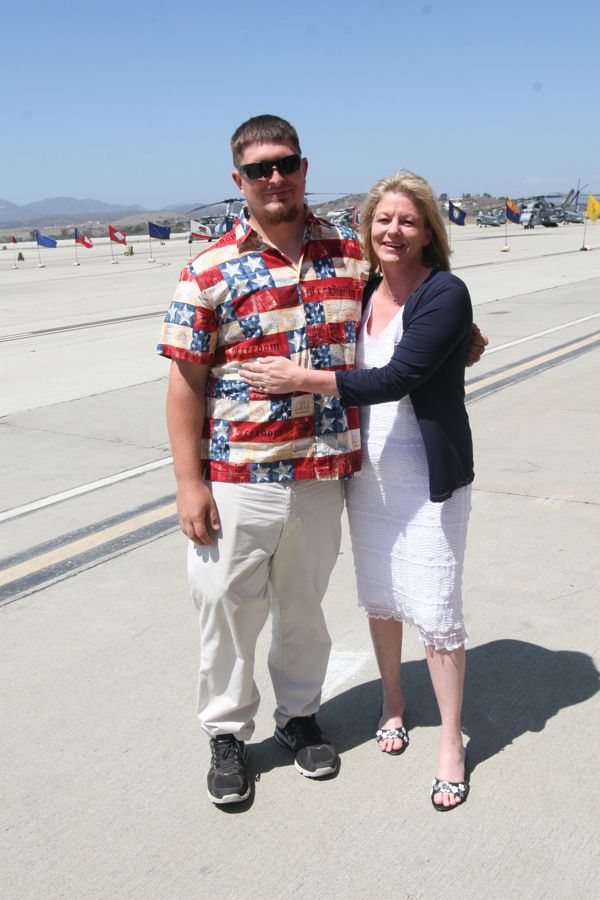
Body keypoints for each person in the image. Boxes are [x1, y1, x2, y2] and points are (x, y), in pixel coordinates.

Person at [158, 115, 486, 807]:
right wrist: (190, 483)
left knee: (304, 610)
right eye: (259, 169)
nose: (275, 179)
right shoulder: (207, 269)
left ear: (305, 168)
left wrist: (462, 333)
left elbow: (412, 297)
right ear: (238, 181)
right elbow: (185, 382)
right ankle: (226, 735)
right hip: (239, 474)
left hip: (323, 475)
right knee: (225, 610)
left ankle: (300, 717)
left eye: (287, 164)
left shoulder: (350, 253)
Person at [240, 170, 476, 811]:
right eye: (382, 220)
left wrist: (302, 379)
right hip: (365, 475)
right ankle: (393, 702)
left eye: (407, 220)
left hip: (427, 478)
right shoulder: (366, 288)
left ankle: (451, 740)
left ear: (428, 230)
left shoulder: (444, 291)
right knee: (381, 599)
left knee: (436, 609)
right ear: (367, 229)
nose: (393, 231)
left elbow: (399, 375)